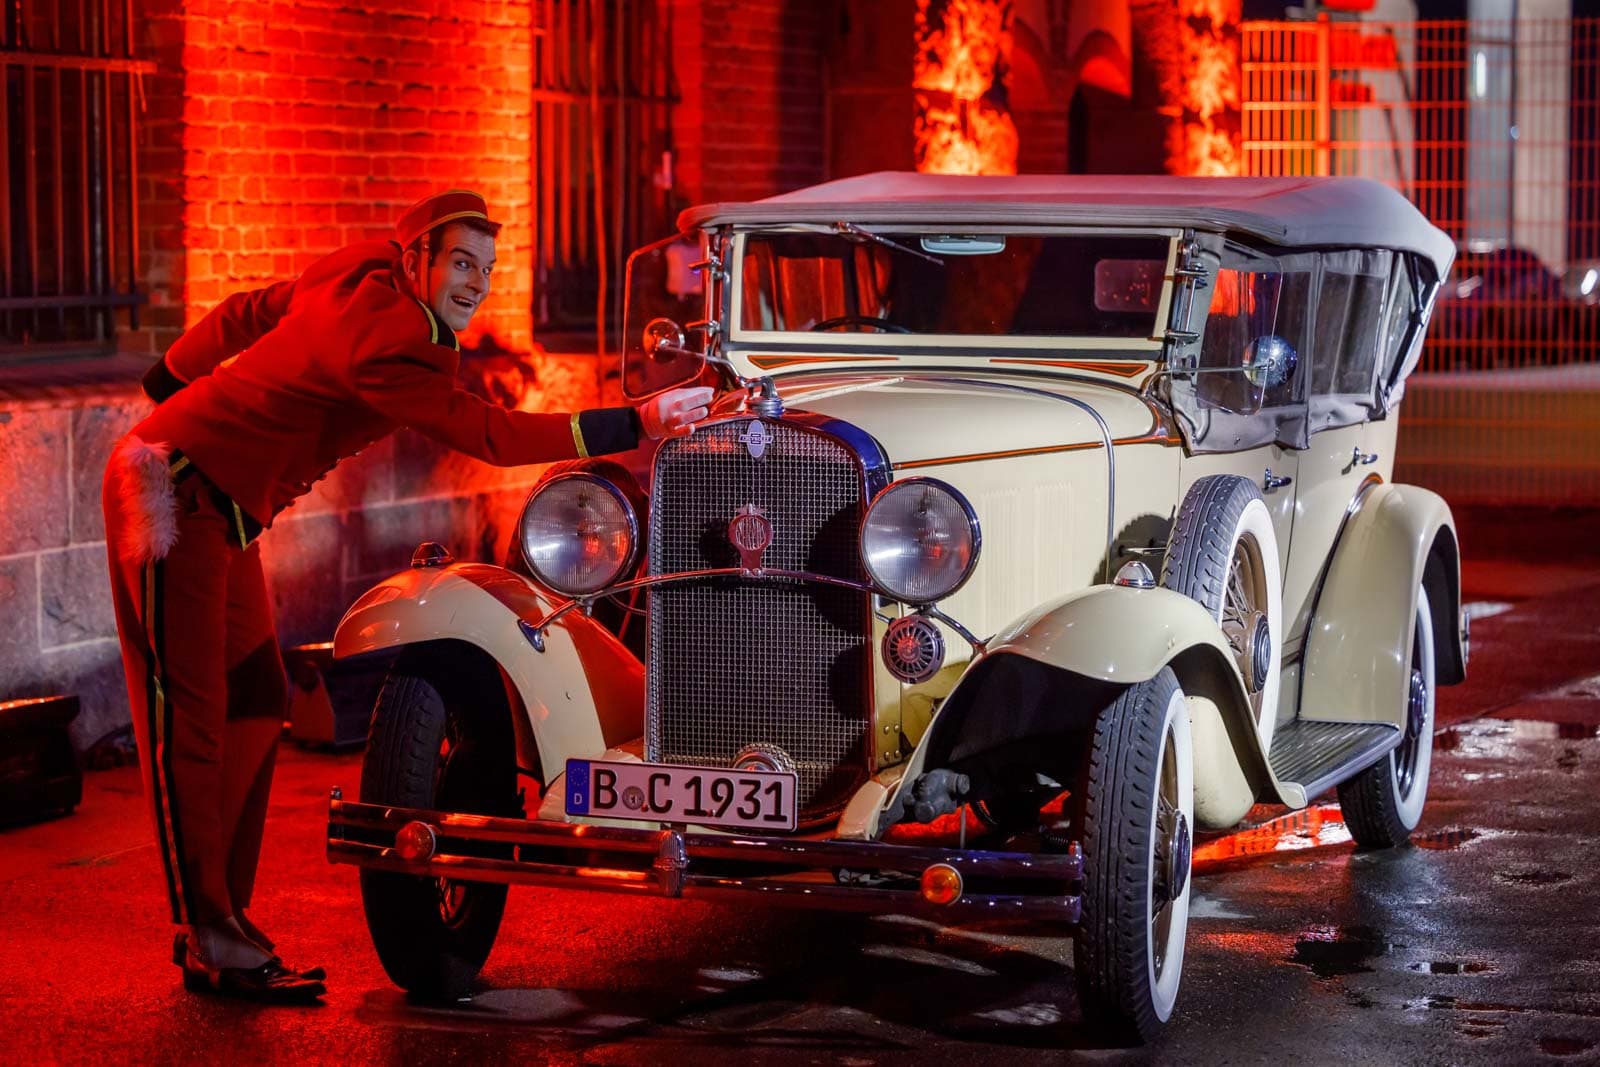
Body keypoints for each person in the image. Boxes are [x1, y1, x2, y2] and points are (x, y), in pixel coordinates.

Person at [101, 189, 710, 1003]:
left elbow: (250, 309)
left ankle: (225, 916)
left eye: (485, 268)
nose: (475, 285)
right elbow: (488, 433)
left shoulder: (362, 269)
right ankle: (206, 931)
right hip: (172, 487)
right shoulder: (393, 345)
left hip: (218, 498)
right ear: (417, 255)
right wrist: (634, 423)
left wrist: (168, 378)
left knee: (258, 696)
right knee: (191, 712)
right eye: (460, 263)